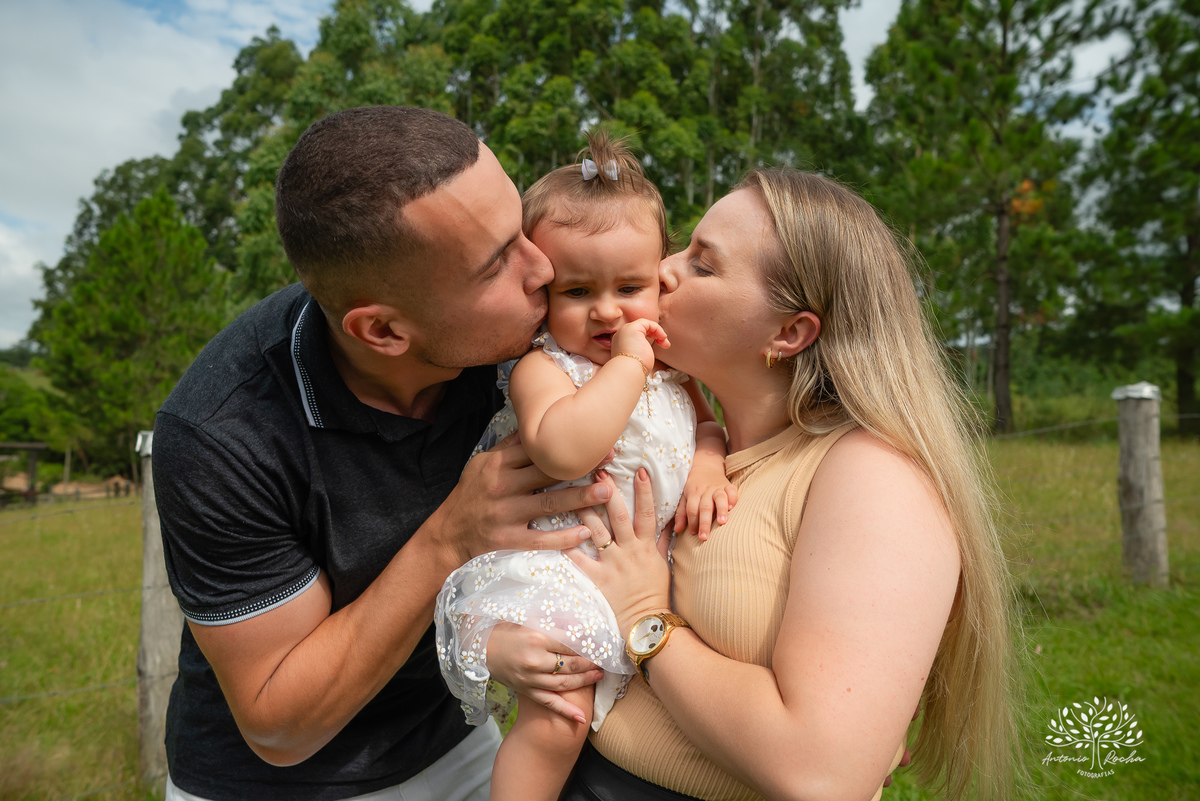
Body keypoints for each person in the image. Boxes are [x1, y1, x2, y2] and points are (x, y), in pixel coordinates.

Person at [152, 106, 614, 801]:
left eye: (520, 227)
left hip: (457, 738)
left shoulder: (511, 340)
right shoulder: (223, 432)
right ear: (384, 330)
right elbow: (279, 724)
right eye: (496, 263)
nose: (542, 267)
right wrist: (450, 538)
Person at [559, 169, 1019, 801]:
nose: (662, 268)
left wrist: (647, 622)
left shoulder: (870, 475)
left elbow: (821, 773)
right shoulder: (678, 442)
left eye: (703, 264)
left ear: (788, 333)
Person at [434, 133, 734, 801]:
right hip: (567, 572)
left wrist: (710, 464)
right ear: (543, 293)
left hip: (648, 572)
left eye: (630, 286)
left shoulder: (674, 368)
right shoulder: (546, 369)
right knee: (561, 716)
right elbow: (563, 449)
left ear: (660, 276)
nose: (606, 309)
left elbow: (708, 426)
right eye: (577, 290)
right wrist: (628, 364)